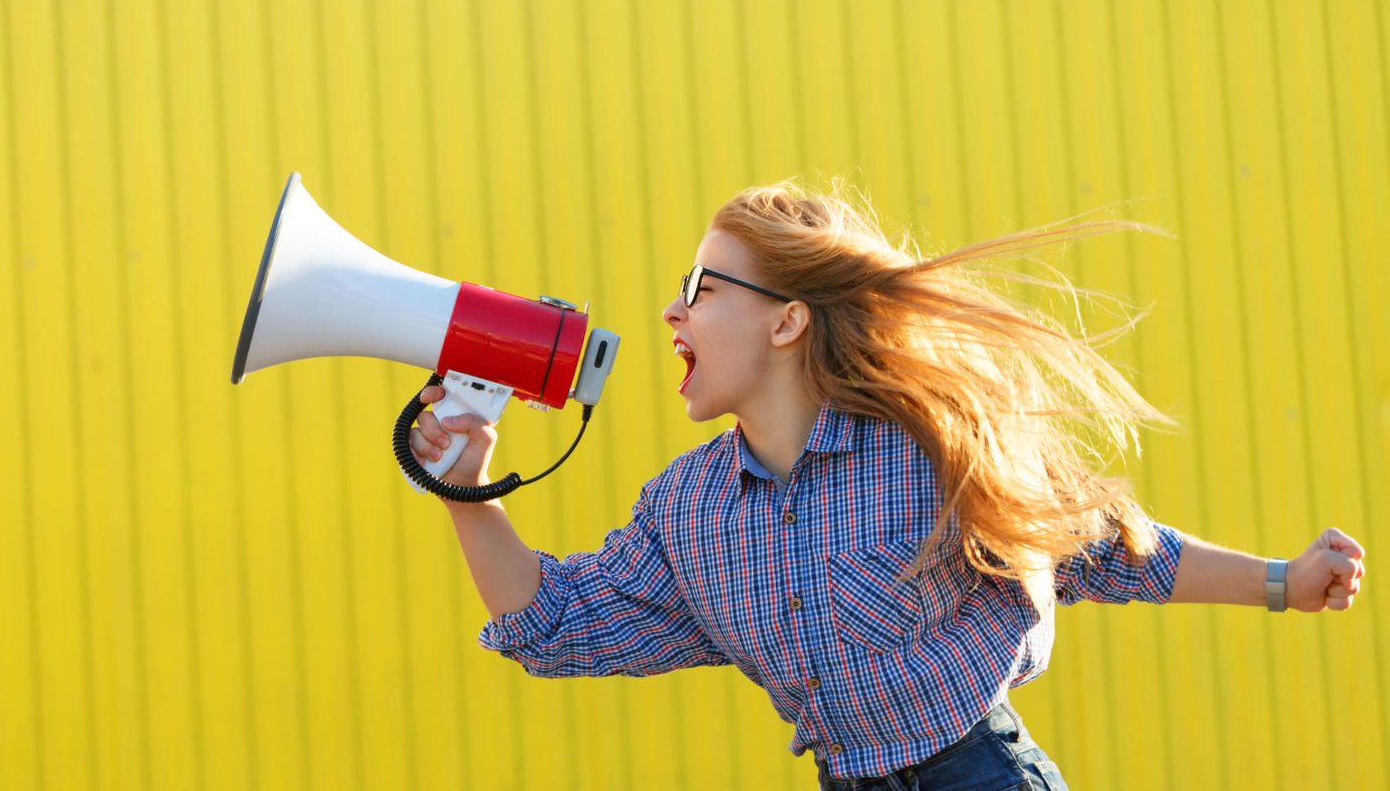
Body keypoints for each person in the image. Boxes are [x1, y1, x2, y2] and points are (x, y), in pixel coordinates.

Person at [405, 180, 1367, 790]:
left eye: (702, 287)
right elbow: (557, 627)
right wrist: (468, 489)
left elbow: (1118, 556)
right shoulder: (685, 513)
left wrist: (1285, 581)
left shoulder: (925, 451)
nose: (670, 309)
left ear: (786, 322)